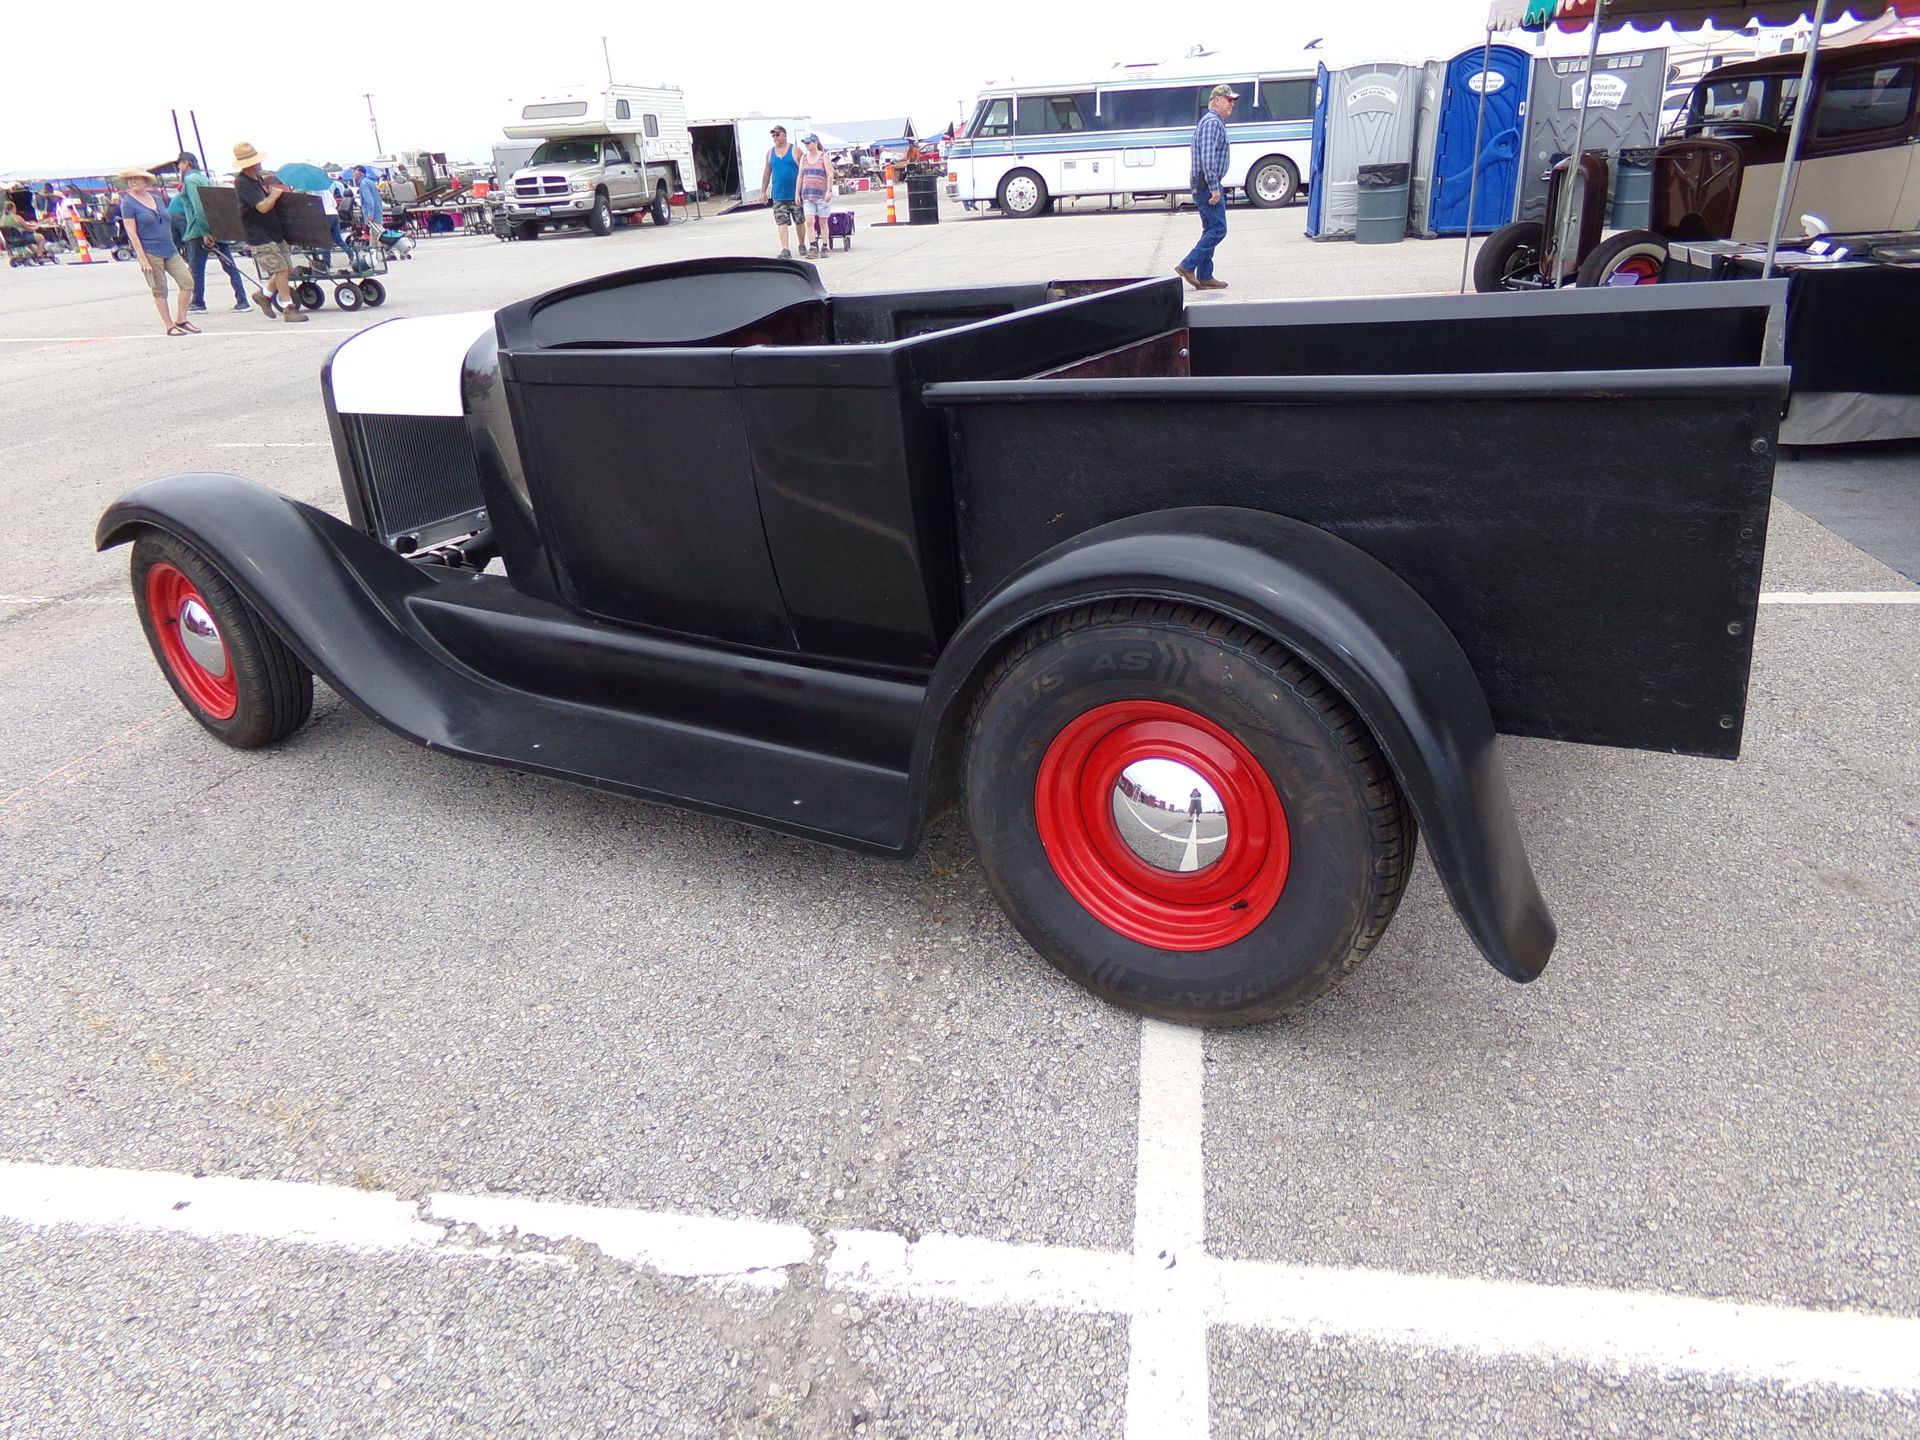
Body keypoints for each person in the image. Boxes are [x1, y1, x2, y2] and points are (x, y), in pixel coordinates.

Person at [231, 141, 308, 323]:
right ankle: (288, 308)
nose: (260, 164)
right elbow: (262, 207)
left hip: (273, 232)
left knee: (287, 269)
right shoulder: (243, 182)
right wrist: (273, 195)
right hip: (260, 235)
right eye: (256, 161)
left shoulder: (256, 179)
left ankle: (264, 295)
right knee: (281, 269)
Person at [118, 170, 198, 336]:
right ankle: (169, 325)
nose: (132, 182)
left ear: (146, 181)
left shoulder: (157, 199)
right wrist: (142, 259)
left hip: (169, 248)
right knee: (160, 289)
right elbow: (132, 233)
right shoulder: (128, 203)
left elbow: (167, 222)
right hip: (150, 250)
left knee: (187, 281)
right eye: (130, 180)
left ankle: (181, 318)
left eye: (136, 179)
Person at [1175, 83, 1237, 292]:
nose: (1232, 104)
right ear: (1216, 100)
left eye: (1233, 101)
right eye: (1228, 100)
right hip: (1206, 184)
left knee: (1210, 229)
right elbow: (1208, 158)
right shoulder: (1212, 123)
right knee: (1219, 230)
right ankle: (1188, 265)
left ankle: (1205, 276)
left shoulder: (1212, 122)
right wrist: (1214, 188)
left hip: (1204, 184)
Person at [175, 152, 252, 314]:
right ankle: (242, 299)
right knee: (229, 264)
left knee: (196, 267)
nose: (179, 167)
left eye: (180, 164)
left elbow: (199, 207)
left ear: (186, 163)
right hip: (217, 226)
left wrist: (204, 231)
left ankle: (198, 302)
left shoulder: (190, 180)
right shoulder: (205, 178)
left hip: (199, 229)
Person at [761, 125, 802, 258]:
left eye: (777, 135)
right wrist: (763, 191)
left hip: (795, 194)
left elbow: (803, 171)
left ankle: (802, 244)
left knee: (799, 220)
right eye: (773, 135)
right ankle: (785, 248)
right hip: (778, 195)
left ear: (784, 135)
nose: (775, 138)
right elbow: (767, 172)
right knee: (781, 222)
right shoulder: (770, 153)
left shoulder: (795, 150)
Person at [796, 134, 834, 259]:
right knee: (809, 221)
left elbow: (829, 174)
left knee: (823, 222)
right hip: (807, 194)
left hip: (821, 194)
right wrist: (797, 193)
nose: (806, 145)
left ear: (815, 143)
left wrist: (829, 190)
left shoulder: (824, 157)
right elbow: (800, 176)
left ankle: (824, 246)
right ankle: (813, 246)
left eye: (808, 143)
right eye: (805, 143)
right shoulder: (804, 158)